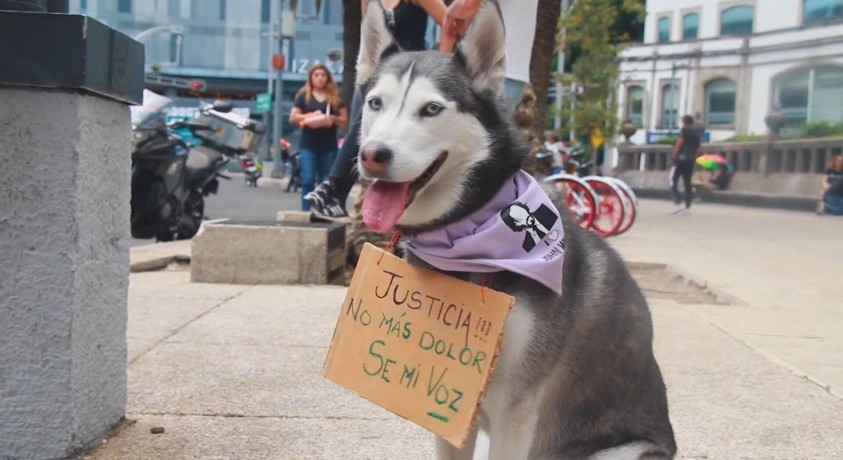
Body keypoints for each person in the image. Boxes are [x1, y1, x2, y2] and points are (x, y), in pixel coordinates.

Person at [306, 0, 538, 221]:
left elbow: (453, 23)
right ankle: (336, 187)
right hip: (394, 72)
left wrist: (453, 23)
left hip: (450, 71)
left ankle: (334, 187)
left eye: (431, 109)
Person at [304, 0, 449, 220]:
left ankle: (332, 190)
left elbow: (449, 23)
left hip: (410, 79)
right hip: (376, 75)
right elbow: (368, 33)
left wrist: (442, 67)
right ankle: (337, 198)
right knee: (360, 129)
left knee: (362, 123)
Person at [289, 64, 348, 211]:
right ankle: (306, 210)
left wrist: (331, 119)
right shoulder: (303, 96)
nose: (320, 78)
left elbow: (344, 119)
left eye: (323, 75)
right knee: (308, 178)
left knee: (325, 179)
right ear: (311, 78)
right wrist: (310, 116)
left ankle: (321, 209)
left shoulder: (335, 98)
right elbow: (293, 117)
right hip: (308, 143)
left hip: (328, 143)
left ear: (328, 78)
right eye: (316, 75)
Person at [670, 114, 701, 214]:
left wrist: (674, 156)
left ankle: (678, 200)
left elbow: (679, 144)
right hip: (691, 160)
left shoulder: (684, 131)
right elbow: (697, 149)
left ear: (685, 122)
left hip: (681, 159)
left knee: (673, 180)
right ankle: (687, 206)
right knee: (687, 183)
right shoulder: (696, 134)